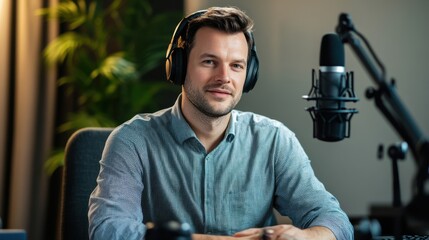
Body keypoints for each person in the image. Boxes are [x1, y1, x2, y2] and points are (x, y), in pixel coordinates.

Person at [88, 6, 354, 240]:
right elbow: (107, 229)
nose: (224, 77)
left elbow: (335, 221)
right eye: (209, 61)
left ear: (249, 75)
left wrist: (307, 237)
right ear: (178, 67)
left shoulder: (274, 140)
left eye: (237, 65)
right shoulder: (133, 140)